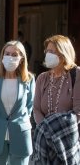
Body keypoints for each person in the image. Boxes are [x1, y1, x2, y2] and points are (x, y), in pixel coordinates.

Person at [0, 40, 35, 165]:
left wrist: (21, 120)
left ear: (21, 58)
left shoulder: (29, 79)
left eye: (14, 54)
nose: (10, 57)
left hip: (20, 132)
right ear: (2, 56)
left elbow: (30, 105)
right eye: (7, 54)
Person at [32, 35, 80, 164]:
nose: (48, 54)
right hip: (44, 142)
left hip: (67, 140)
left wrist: (55, 130)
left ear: (63, 53)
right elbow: (36, 109)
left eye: (52, 52)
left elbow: (77, 111)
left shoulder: (77, 75)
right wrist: (47, 132)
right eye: (47, 51)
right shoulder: (42, 78)